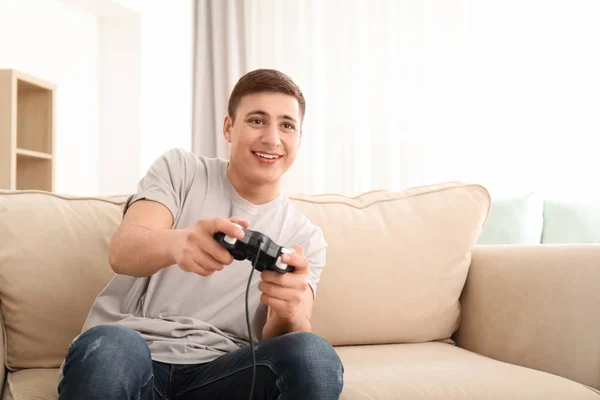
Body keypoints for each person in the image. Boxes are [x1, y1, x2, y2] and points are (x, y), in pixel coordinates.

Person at [56, 69, 344, 400]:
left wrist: (289, 309)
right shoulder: (181, 170)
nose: (272, 138)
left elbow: (284, 338)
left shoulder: (305, 238)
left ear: (299, 138)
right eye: (256, 121)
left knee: (314, 354)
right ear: (228, 128)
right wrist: (180, 243)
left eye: (286, 125)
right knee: (111, 347)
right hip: (135, 353)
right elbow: (123, 251)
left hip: (226, 372)